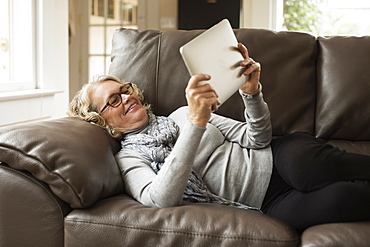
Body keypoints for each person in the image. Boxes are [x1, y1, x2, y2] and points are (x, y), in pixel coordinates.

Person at [68, 43, 370, 233]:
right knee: (344, 198)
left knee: (308, 170)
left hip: (278, 156)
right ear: (102, 122)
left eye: (124, 89)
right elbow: (160, 199)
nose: (126, 97)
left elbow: (258, 137)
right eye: (113, 101)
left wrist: (251, 93)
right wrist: (197, 124)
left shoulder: (181, 113)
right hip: (268, 201)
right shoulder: (129, 159)